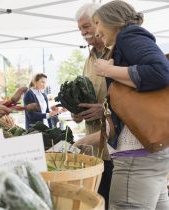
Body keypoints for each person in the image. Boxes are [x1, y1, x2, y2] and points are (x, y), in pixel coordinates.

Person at [80, 1, 169, 209]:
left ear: (113, 20)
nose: (96, 30)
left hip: (136, 156)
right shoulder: (126, 42)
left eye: (97, 23)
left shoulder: (129, 35)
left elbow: (161, 72)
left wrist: (107, 70)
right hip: (150, 153)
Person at [74, 3, 113, 209]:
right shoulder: (89, 59)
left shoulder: (116, 51)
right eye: (80, 28)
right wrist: (77, 112)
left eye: (87, 26)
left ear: (99, 23)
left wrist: (102, 108)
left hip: (115, 147)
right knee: (99, 201)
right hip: (94, 149)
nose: (84, 32)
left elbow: (128, 96)